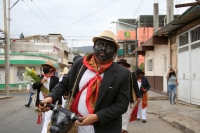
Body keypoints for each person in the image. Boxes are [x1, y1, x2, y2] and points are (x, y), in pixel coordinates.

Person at [40, 30, 130, 133]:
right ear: (93, 47)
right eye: (100, 44)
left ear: (115, 52)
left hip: (105, 127)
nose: (103, 49)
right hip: (75, 124)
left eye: (109, 46)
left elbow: (121, 105)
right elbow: (64, 83)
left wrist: (97, 117)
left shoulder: (122, 73)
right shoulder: (80, 64)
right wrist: (51, 97)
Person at [32, 60, 61, 133]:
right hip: (41, 102)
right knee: (45, 118)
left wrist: (60, 102)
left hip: (50, 102)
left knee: (48, 118)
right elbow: (34, 86)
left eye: (46, 67)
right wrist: (40, 82)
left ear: (51, 69)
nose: (45, 68)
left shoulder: (56, 79)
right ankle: (47, 130)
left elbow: (58, 91)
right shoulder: (39, 77)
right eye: (44, 67)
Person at [117, 59, 140, 133]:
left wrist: (138, 96)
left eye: (123, 65)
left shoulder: (131, 74)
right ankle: (117, 128)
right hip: (115, 97)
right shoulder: (114, 74)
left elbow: (135, 86)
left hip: (127, 97)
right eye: (120, 65)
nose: (122, 67)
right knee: (116, 114)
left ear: (126, 66)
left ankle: (124, 129)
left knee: (126, 113)